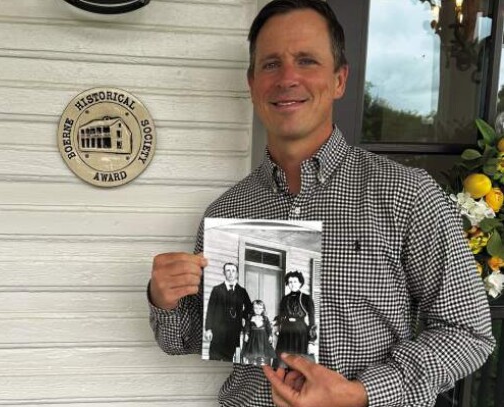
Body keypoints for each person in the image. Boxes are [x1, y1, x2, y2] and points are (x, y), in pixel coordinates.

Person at [148, 0, 495, 405]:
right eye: (271, 64)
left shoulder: (407, 195)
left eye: (307, 61)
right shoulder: (225, 212)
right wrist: (163, 299)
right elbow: (186, 338)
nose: (287, 78)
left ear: (339, 80)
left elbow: (468, 333)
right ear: (252, 82)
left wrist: (361, 394)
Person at [204, 262, 252, 361]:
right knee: (213, 358)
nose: (231, 273)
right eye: (228, 271)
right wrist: (208, 329)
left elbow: (249, 307)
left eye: (233, 271)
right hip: (218, 331)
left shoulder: (241, 291)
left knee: (228, 360)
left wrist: (242, 316)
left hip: (232, 332)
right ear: (224, 273)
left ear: (237, 274)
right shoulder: (217, 290)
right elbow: (210, 310)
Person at [274, 271, 316, 364]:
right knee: (282, 361)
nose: (292, 284)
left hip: (300, 333)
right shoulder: (284, 299)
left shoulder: (306, 298)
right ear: (288, 284)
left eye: (295, 282)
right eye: (290, 282)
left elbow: (312, 320)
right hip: (286, 333)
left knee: (299, 362)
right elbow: (281, 316)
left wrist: (311, 341)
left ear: (300, 283)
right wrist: (275, 322)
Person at [241, 299, 276, 366]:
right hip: (253, 338)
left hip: (263, 339)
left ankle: (261, 364)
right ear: (253, 309)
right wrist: (246, 334)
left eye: (260, 308)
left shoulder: (265, 318)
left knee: (262, 354)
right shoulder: (250, 318)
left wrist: (270, 335)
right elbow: (247, 327)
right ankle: (253, 364)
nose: (258, 310)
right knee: (253, 355)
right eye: (256, 308)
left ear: (263, 309)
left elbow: (268, 328)